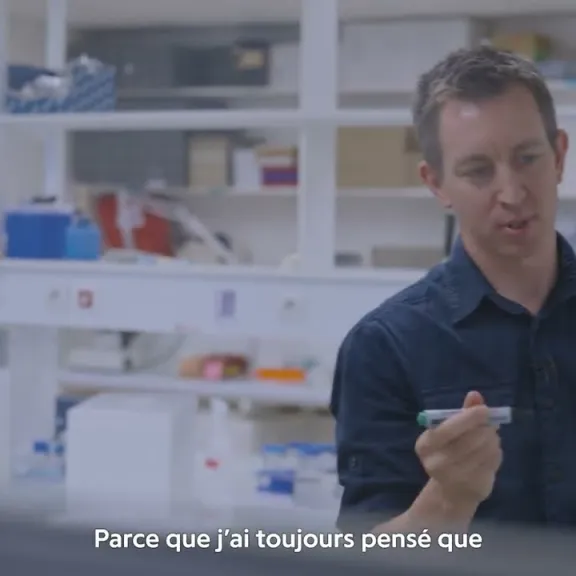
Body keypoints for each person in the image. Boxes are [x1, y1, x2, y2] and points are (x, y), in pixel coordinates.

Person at [330, 45, 576, 534]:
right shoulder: (384, 347)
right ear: (436, 183)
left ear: (559, 156)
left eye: (528, 158)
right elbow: (363, 560)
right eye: (478, 171)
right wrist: (449, 498)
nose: (512, 193)